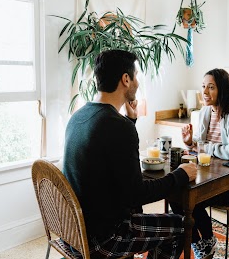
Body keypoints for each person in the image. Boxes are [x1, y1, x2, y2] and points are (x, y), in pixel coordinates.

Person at [63, 49, 197, 259]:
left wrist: (130, 121)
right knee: (181, 226)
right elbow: (137, 193)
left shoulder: (78, 116)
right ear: (125, 79)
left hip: (73, 233)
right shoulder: (117, 126)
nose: (137, 83)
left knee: (138, 212)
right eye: (135, 77)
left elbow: (110, 159)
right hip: (102, 239)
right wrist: (181, 174)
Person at [171, 68, 229, 259]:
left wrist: (206, 148)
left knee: (189, 196)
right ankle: (203, 242)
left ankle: (205, 242)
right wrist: (190, 142)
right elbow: (200, 146)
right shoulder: (206, 112)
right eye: (203, 87)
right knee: (176, 193)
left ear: (222, 89)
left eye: (211, 87)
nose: (205, 92)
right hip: (207, 176)